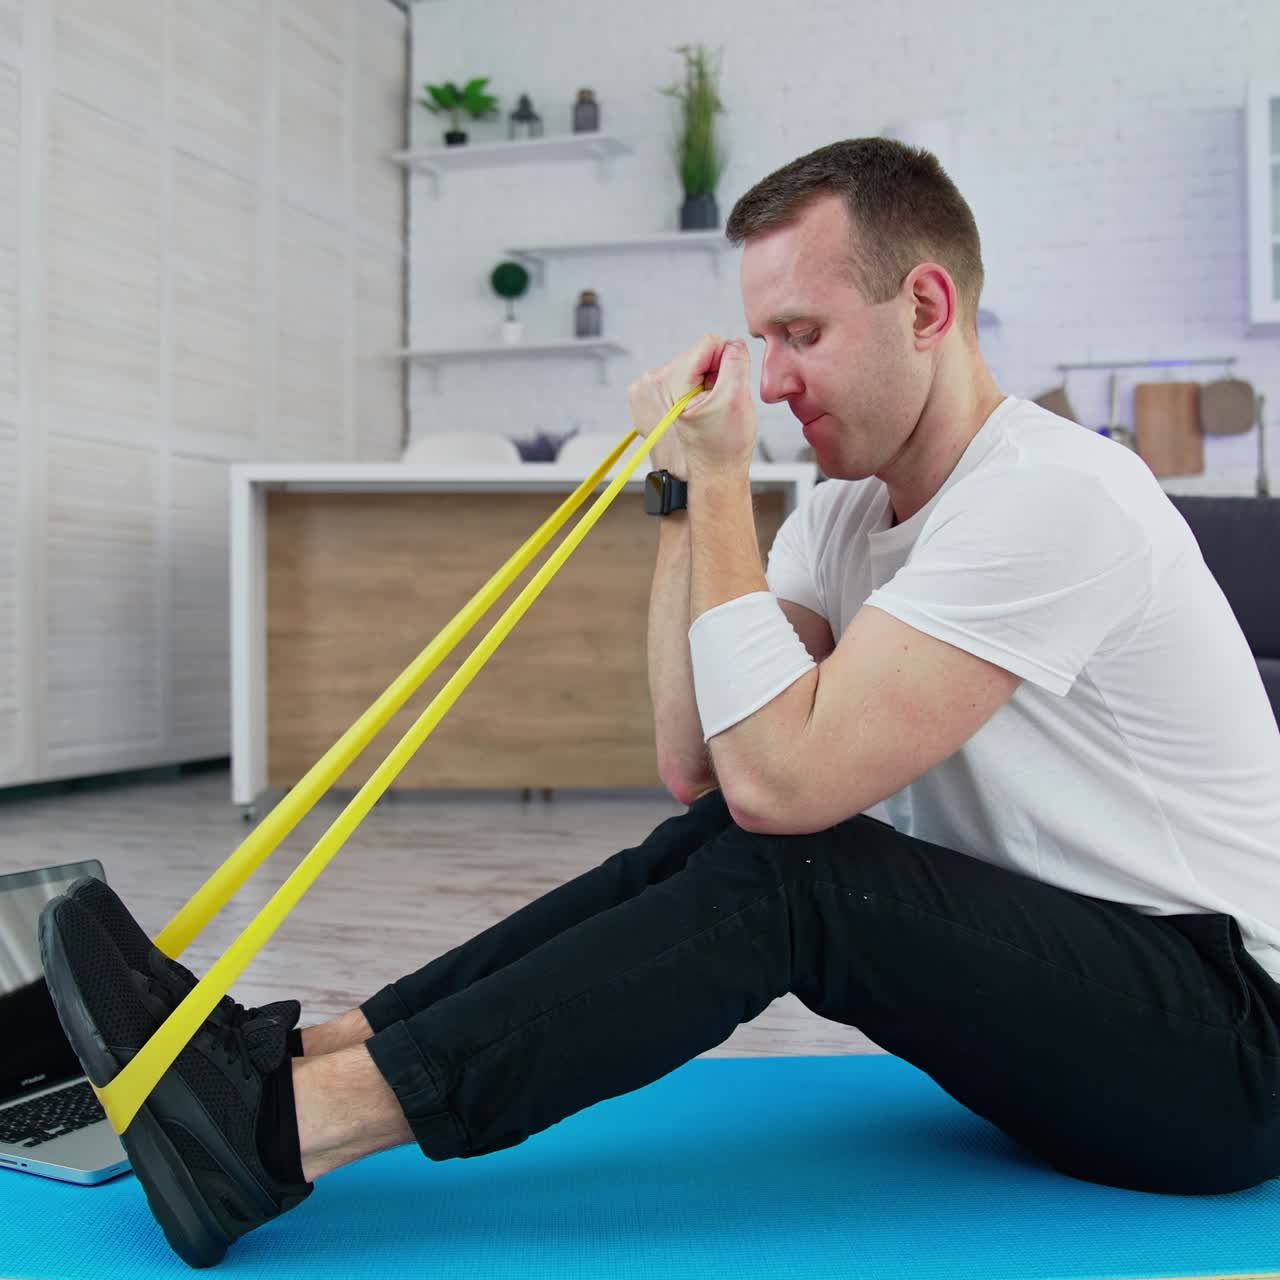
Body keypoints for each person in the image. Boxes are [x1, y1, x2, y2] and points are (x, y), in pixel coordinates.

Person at [41, 138, 1280, 1269]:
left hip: (1228, 1049)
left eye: (801, 331)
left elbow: (781, 783)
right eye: (760, 338)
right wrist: (681, 499)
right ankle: (283, 1059)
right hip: (1091, 1016)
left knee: (799, 875)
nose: (775, 376)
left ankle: (277, 1133)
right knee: (730, 845)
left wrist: (732, 477)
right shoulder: (854, 508)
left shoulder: (1053, 498)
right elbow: (697, 760)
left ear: (924, 306)